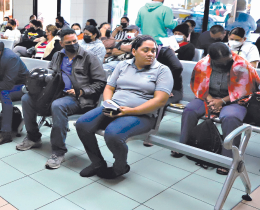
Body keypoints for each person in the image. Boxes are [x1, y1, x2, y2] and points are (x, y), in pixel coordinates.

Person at [75, 36, 173, 179]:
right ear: (134, 51)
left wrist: (131, 111)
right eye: (145, 50)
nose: (151, 54)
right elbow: (109, 87)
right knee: (82, 124)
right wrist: (109, 103)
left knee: (113, 134)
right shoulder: (123, 65)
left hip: (142, 115)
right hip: (115, 107)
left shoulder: (162, 70)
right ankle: (97, 163)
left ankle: (120, 167)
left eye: (153, 50)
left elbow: (160, 100)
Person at [18, 29, 107, 168]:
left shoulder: (89, 57)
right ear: (61, 43)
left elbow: (101, 83)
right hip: (57, 93)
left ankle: (58, 151)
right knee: (26, 99)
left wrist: (82, 91)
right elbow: (51, 75)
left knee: (57, 106)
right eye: (69, 42)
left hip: (80, 98)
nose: (73, 44)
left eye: (75, 41)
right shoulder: (58, 56)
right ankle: (33, 137)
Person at [180, 42, 260, 174]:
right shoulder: (203, 64)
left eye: (228, 61)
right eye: (221, 63)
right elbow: (199, 84)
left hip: (235, 101)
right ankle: (183, 145)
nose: (226, 65)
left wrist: (222, 101)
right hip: (208, 97)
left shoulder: (242, 64)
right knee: (190, 110)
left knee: (230, 117)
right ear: (212, 59)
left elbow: (247, 89)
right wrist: (212, 100)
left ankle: (227, 158)